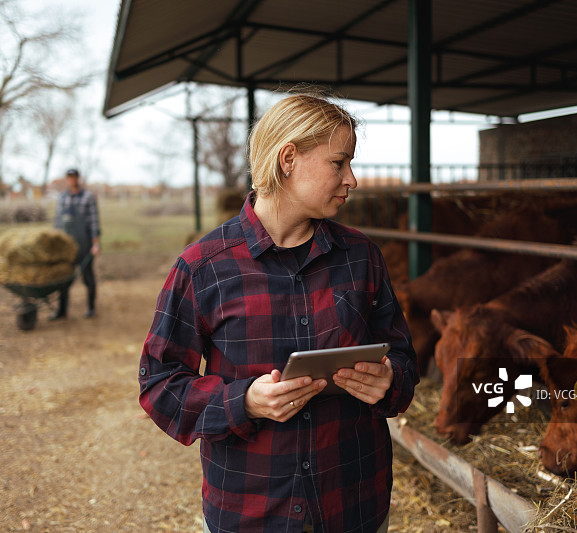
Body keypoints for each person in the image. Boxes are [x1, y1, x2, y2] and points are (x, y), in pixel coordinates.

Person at [137, 94, 419, 533]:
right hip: (251, 512)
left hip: (353, 504)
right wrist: (243, 402)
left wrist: (389, 380)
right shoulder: (203, 266)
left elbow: (403, 357)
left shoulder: (361, 256)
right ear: (288, 158)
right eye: (339, 163)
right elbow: (159, 385)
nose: (352, 179)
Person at [50, 168, 101, 319]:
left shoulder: (87, 197)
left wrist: (95, 243)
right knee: (64, 277)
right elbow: (58, 221)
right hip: (67, 246)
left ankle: (91, 308)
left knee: (88, 277)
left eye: (74, 177)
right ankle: (62, 311)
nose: (72, 180)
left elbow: (93, 222)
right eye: (69, 177)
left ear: (78, 178)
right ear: (67, 179)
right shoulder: (63, 197)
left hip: (84, 244)